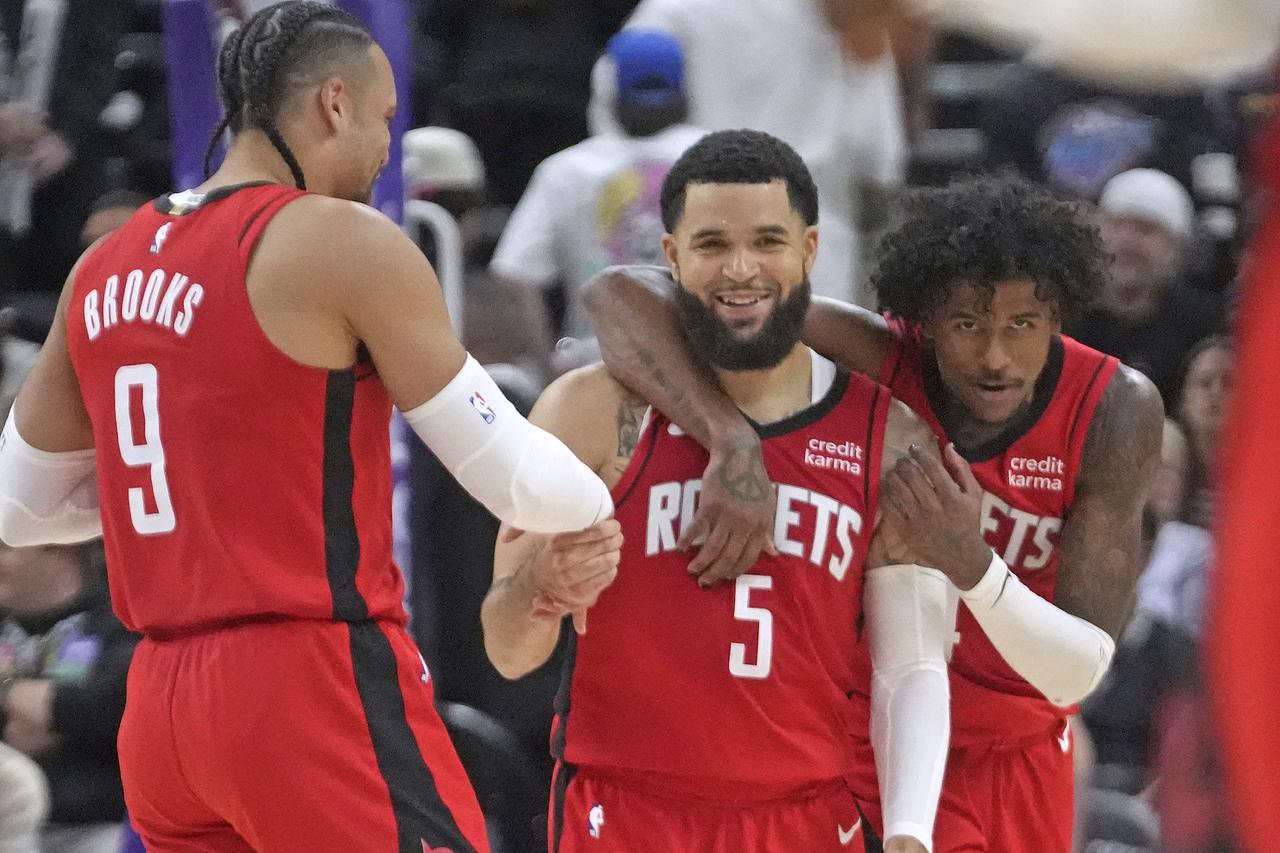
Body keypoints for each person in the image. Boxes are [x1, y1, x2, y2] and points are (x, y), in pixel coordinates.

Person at [0, 4, 616, 852]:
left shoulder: (102, 267)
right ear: (334, 103)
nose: (388, 149)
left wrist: (197, 499)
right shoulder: (341, 240)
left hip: (161, 711)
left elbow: (21, 508)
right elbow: (518, 478)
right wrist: (600, 500)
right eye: (385, 118)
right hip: (300, 685)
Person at [583, 172, 1163, 852]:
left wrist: (969, 562)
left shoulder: (1114, 409)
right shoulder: (875, 353)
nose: (995, 356)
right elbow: (620, 293)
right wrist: (728, 437)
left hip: (1018, 754)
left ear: (1057, 316)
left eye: (1022, 325)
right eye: (967, 325)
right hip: (872, 738)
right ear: (925, 321)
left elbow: (1078, 671)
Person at [483, 129, 952, 853]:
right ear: (671, 257)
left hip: (803, 819)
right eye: (711, 244)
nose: (740, 269)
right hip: (627, 813)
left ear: (810, 249)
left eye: (768, 241)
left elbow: (911, 665)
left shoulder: (887, 436)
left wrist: (910, 832)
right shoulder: (591, 410)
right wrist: (540, 585)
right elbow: (507, 648)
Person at [490, 28, 705, 349]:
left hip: (598, 359)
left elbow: (514, 274)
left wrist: (551, 366)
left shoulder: (565, 170)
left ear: (608, 88)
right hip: (701, 359)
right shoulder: (717, 158)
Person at [0, 539, 137, 853]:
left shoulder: (120, 616)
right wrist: (19, 694)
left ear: (61, 549)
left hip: (97, 823)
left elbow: (113, 705)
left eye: (4, 548)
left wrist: (52, 710)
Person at [1066, 168, 1222, 405]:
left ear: (1176, 248)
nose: (1127, 241)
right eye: (1117, 225)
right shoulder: (1064, 312)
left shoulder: (1203, 325)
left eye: (1145, 230)